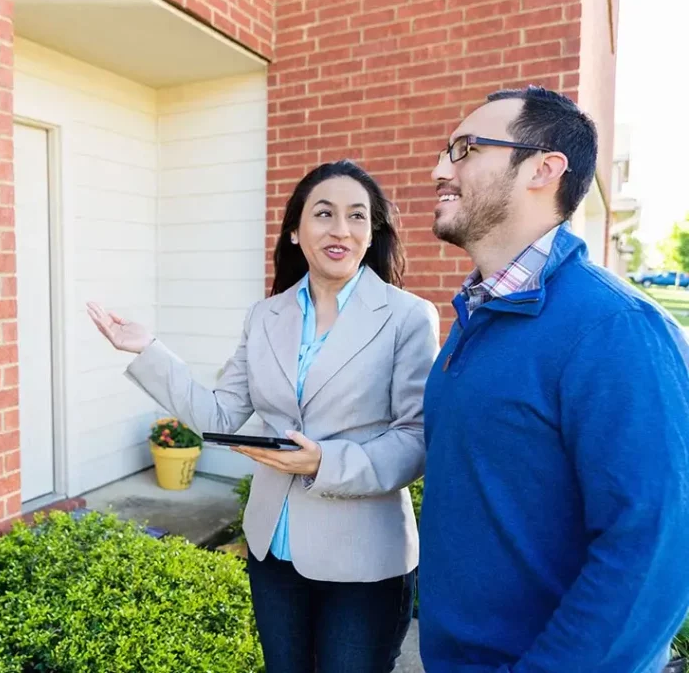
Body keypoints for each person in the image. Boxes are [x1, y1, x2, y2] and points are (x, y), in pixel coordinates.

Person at [87, 159, 440, 673]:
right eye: (324, 213)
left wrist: (325, 463)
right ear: (296, 231)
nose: (340, 229)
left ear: (373, 231)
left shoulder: (407, 316)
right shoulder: (265, 315)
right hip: (274, 548)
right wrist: (148, 350)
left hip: (365, 558)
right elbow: (223, 413)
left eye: (357, 216)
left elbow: (416, 438)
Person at [420, 85, 689, 672]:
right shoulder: (476, 317)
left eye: (465, 148)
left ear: (544, 168)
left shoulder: (617, 329)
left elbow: (655, 553)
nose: (440, 168)